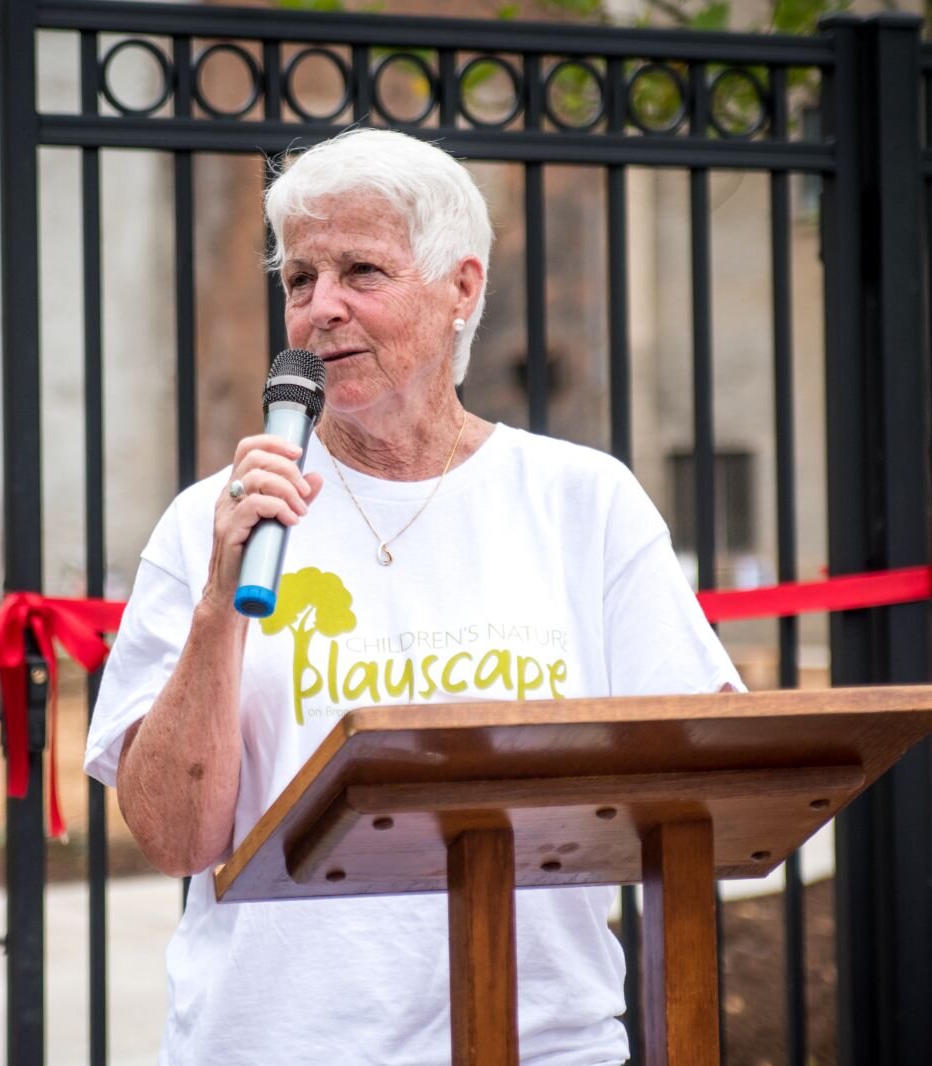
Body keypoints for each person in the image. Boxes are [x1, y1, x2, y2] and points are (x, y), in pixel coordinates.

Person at [83, 127, 742, 1065]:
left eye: (361, 272)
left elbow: (703, 768)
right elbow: (172, 839)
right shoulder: (211, 524)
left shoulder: (579, 501)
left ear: (462, 289)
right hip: (276, 1045)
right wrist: (219, 607)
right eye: (299, 280)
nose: (321, 310)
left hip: (543, 1044)